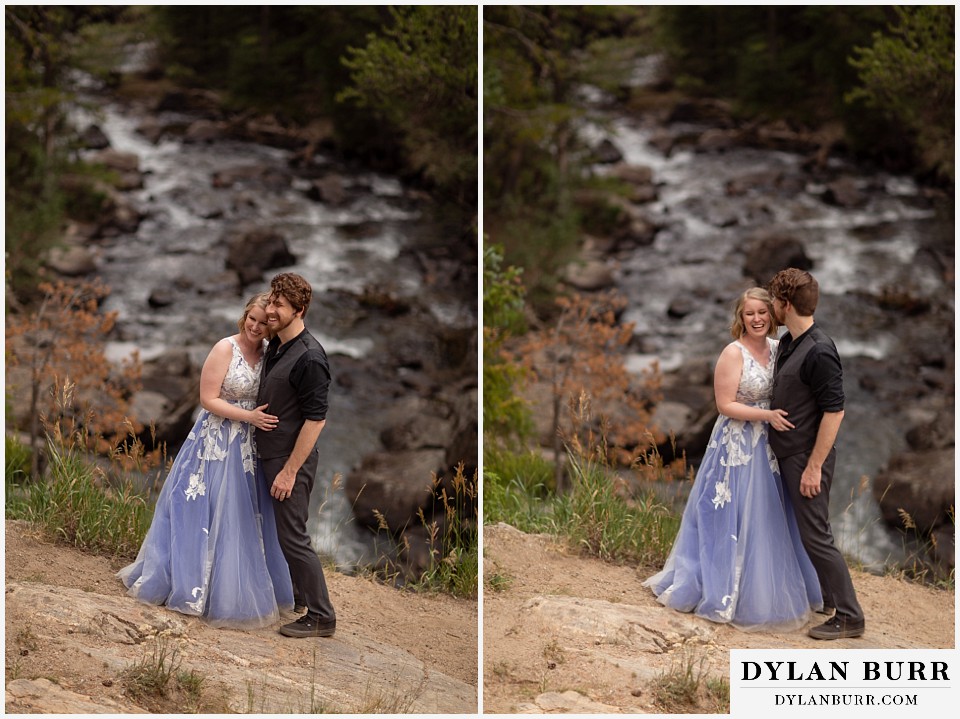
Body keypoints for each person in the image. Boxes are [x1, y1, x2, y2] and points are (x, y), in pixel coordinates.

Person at [644, 287, 822, 631]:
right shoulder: (732, 353)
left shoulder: (778, 347)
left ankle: (765, 593)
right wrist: (767, 416)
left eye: (762, 313)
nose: (756, 319)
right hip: (737, 444)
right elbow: (725, 405)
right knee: (730, 512)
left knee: (768, 515)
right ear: (740, 318)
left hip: (771, 446)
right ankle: (723, 592)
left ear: (773, 316)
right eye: (749, 313)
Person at [119, 293, 294, 628]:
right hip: (216, 441)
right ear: (244, 317)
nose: (255, 327)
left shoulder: (270, 353)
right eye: (251, 319)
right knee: (206, 507)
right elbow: (208, 399)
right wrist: (249, 418)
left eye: (262, 321)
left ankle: (233, 589)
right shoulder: (224, 349)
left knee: (243, 513)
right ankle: (192, 585)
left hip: (249, 444)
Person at [767, 268, 865, 640]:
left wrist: (814, 467)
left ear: (785, 304)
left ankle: (850, 616)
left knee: (816, 536)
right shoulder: (793, 341)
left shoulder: (820, 350)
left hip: (807, 459)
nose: (773, 307)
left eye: (775, 301)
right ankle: (826, 599)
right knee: (807, 532)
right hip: (790, 455)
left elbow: (835, 411)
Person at [257, 272, 337, 639]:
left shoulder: (310, 359)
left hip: (289, 461)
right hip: (270, 455)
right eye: (271, 301)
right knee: (281, 533)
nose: (271, 310)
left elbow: (316, 421)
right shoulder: (277, 344)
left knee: (293, 537)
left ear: (300, 310)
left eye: (280, 305)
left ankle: (322, 617)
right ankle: (300, 600)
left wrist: (290, 471)